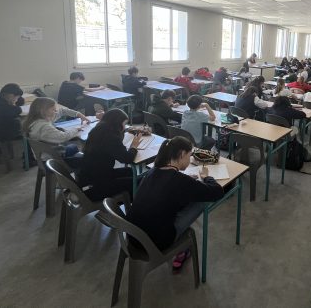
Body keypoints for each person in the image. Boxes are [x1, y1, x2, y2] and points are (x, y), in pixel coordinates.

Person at [127, 137, 224, 270]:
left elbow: (169, 187)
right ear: (182, 154)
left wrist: (188, 182)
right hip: (156, 243)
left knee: (177, 198)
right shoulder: (179, 181)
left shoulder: (151, 172)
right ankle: (182, 249)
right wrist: (206, 177)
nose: (190, 160)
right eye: (189, 156)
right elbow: (217, 192)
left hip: (133, 238)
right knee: (202, 200)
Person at [79, 108, 142, 200]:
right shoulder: (111, 138)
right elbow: (127, 158)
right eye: (124, 124)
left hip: (90, 176)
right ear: (117, 124)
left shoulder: (98, 130)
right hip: (96, 187)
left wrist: (127, 129)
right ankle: (131, 204)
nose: (124, 127)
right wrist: (134, 146)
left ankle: (129, 200)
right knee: (138, 181)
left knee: (130, 171)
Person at [22, 97, 89, 168]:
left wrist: (79, 114)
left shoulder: (35, 120)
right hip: (52, 158)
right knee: (77, 150)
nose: (56, 111)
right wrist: (77, 129)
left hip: (44, 154)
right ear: (43, 111)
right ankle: (74, 169)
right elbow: (63, 137)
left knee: (72, 147)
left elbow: (62, 111)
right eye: (53, 109)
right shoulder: (44, 127)